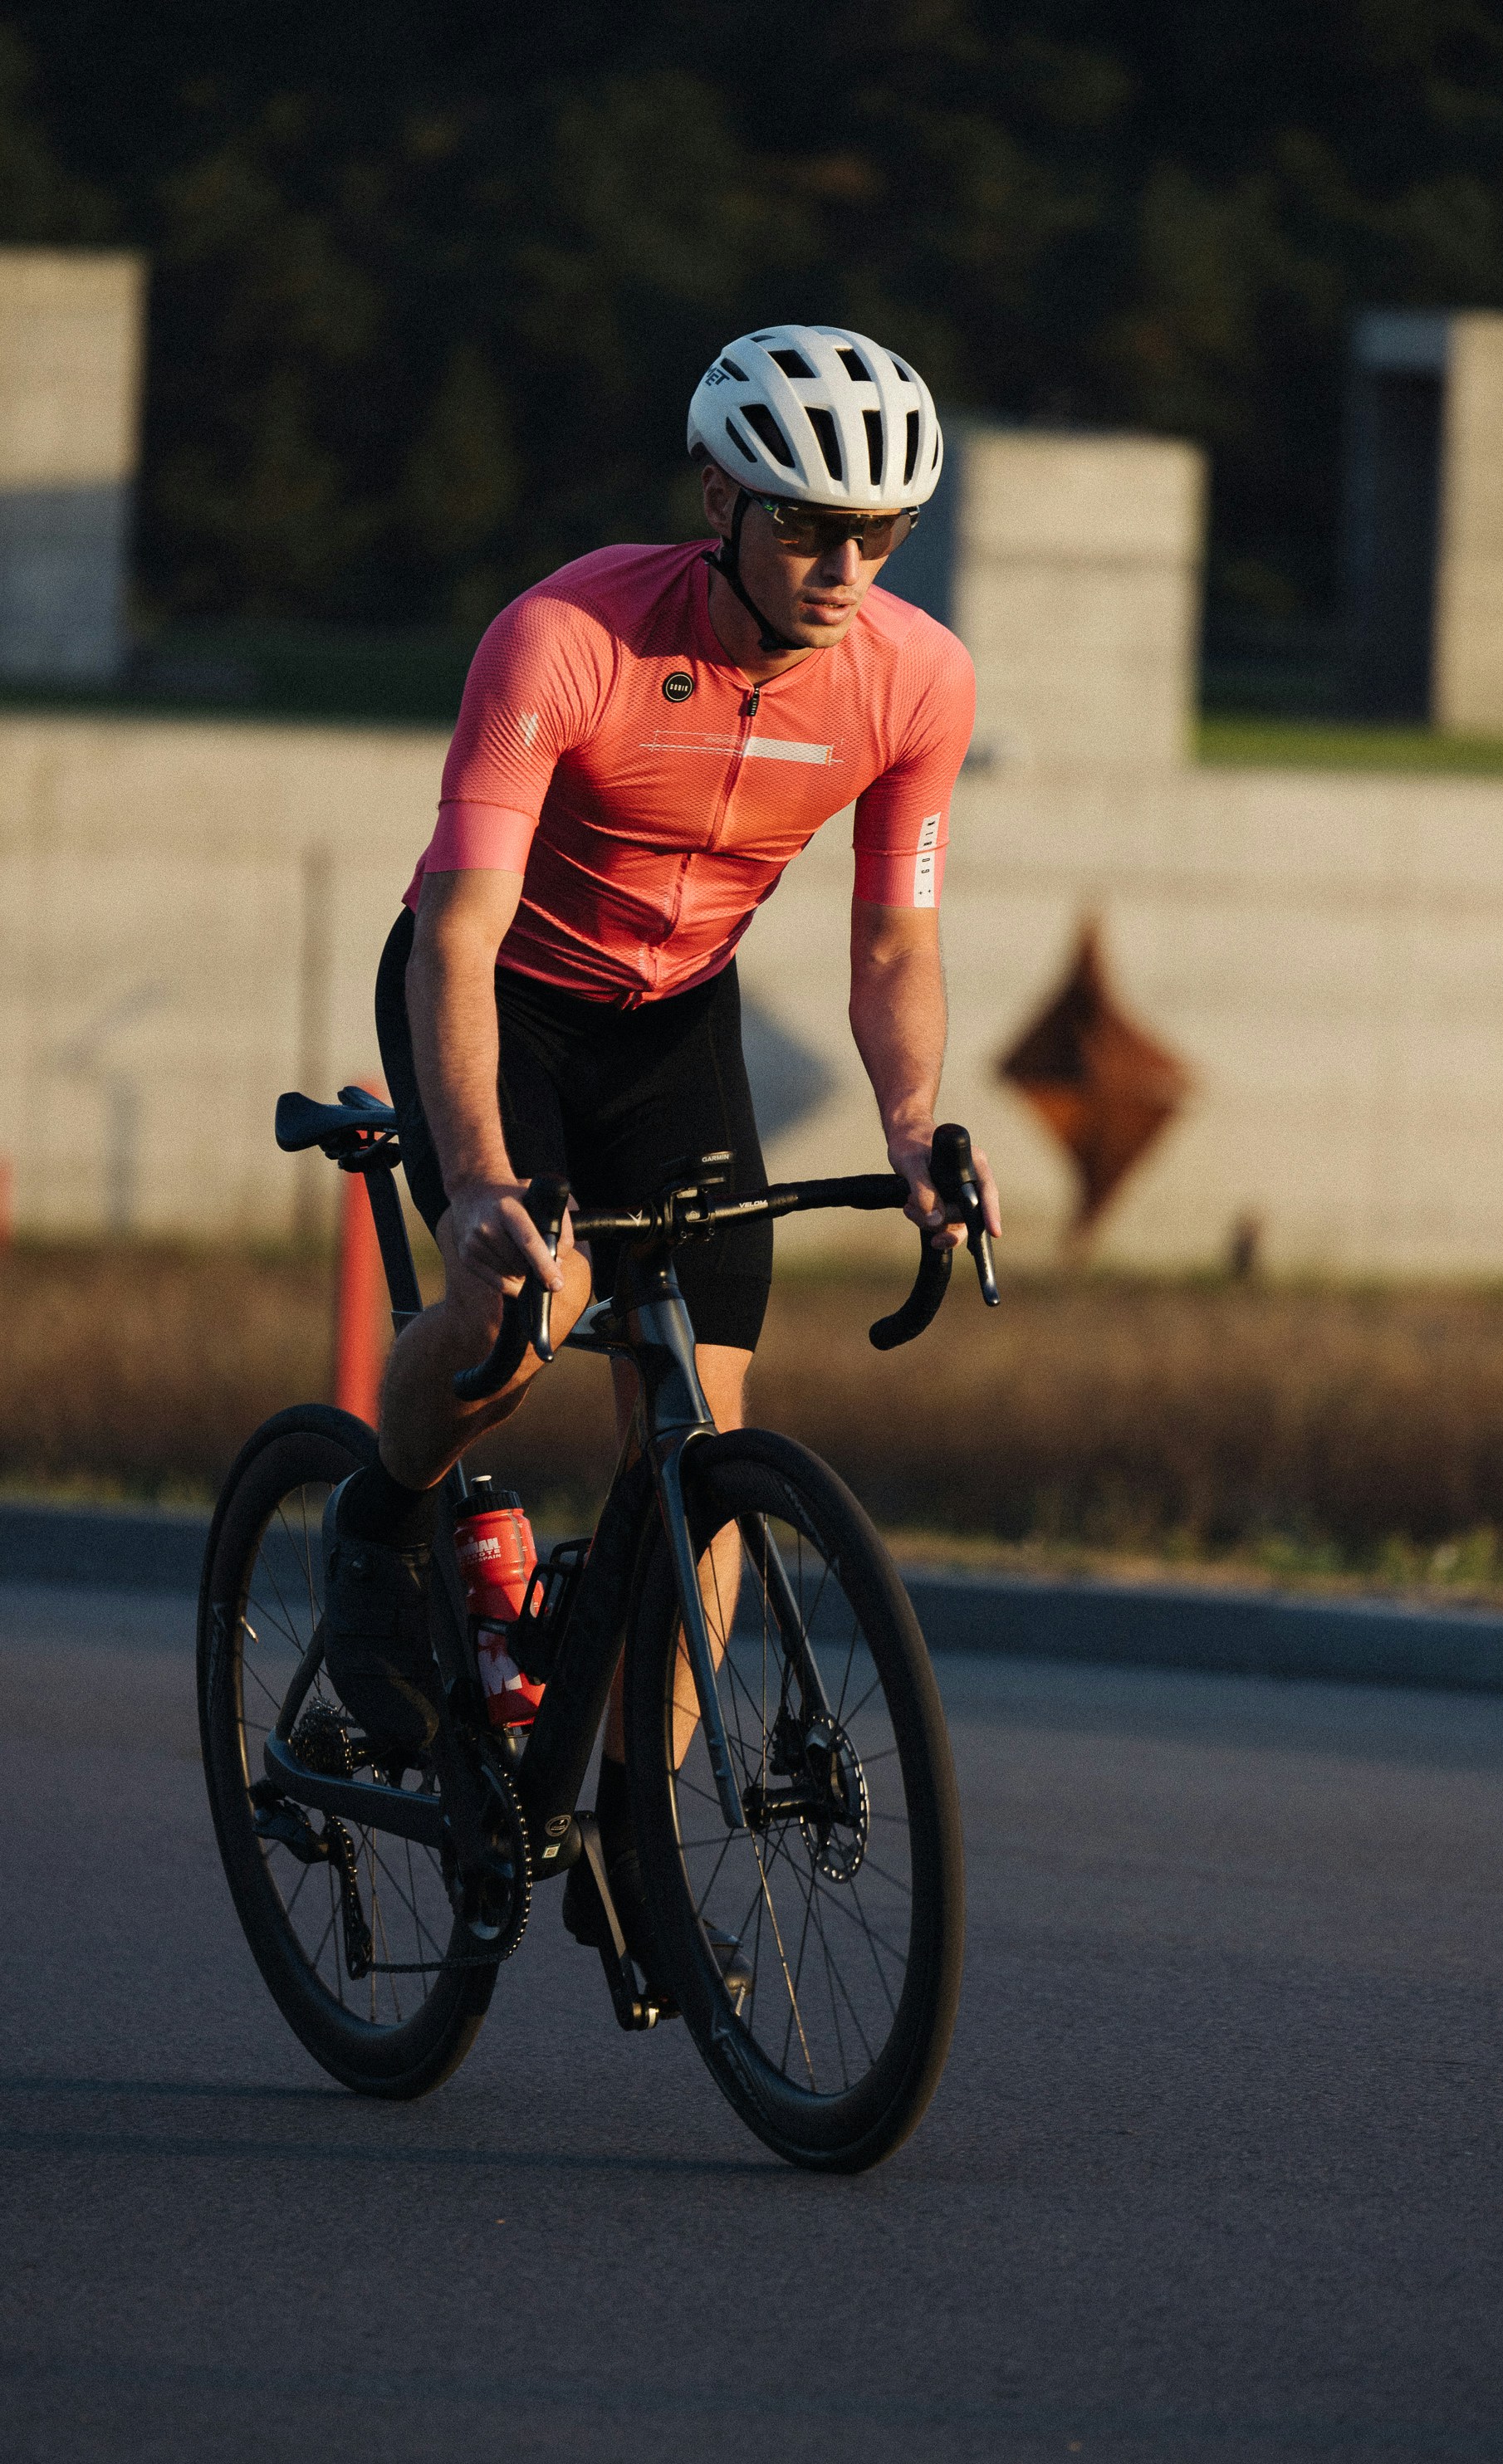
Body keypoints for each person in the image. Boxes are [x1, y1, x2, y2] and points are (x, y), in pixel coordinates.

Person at [321, 322, 1001, 1966]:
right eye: (806, 526)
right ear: (719, 494)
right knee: (505, 1325)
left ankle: (634, 1813)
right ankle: (378, 1517)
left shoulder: (919, 678)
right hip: (503, 999)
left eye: (878, 533)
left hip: (675, 1022)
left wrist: (914, 1132)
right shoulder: (563, 637)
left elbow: (893, 945)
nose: (845, 565)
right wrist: (482, 1181)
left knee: (699, 1438)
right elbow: (459, 932)